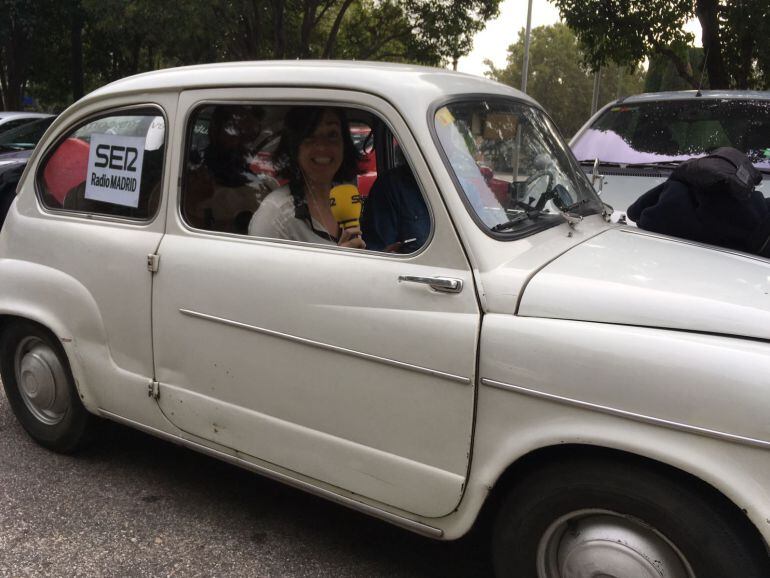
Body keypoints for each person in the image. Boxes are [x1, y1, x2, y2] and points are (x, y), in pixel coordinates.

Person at [248, 107, 365, 249]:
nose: (322, 146)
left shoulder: (346, 201)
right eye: (309, 135)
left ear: (344, 144)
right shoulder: (275, 217)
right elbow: (258, 270)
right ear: (294, 147)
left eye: (332, 135)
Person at [185, 105, 277, 233]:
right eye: (235, 133)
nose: (243, 145)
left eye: (249, 138)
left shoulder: (267, 187)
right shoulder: (186, 183)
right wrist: (192, 200)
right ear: (214, 131)